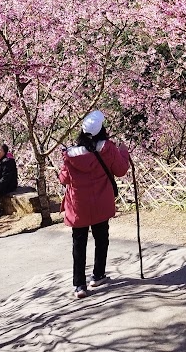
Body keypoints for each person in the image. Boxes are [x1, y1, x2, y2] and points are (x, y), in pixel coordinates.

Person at [59, 110, 130, 300]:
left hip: (78, 205)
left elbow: (63, 178)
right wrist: (124, 151)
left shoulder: (70, 154)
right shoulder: (108, 149)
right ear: (101, 131)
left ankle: (79, 285)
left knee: (78, 243)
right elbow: (121, 170)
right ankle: (98, 275)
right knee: (101, 238)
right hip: (100, 202)